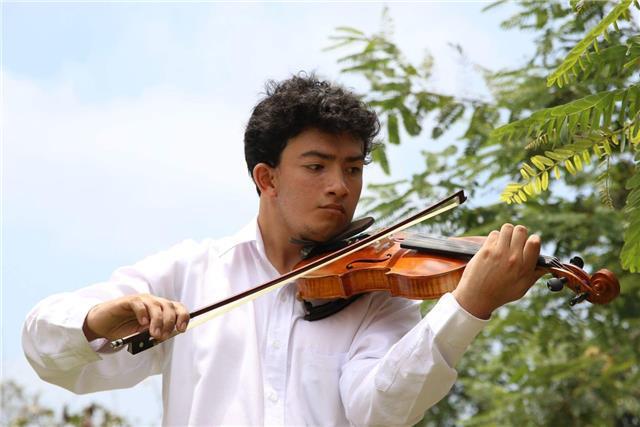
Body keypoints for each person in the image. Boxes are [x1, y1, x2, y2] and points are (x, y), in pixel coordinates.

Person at [22, 74, 543, 426]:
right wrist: (102, 317)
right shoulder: (192, 270)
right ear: (266, 178)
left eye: (353, 167)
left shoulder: (379, 294)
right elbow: (49, 351)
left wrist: (467, 306)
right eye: (317, 166)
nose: (340, 185)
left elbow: (380, 408)